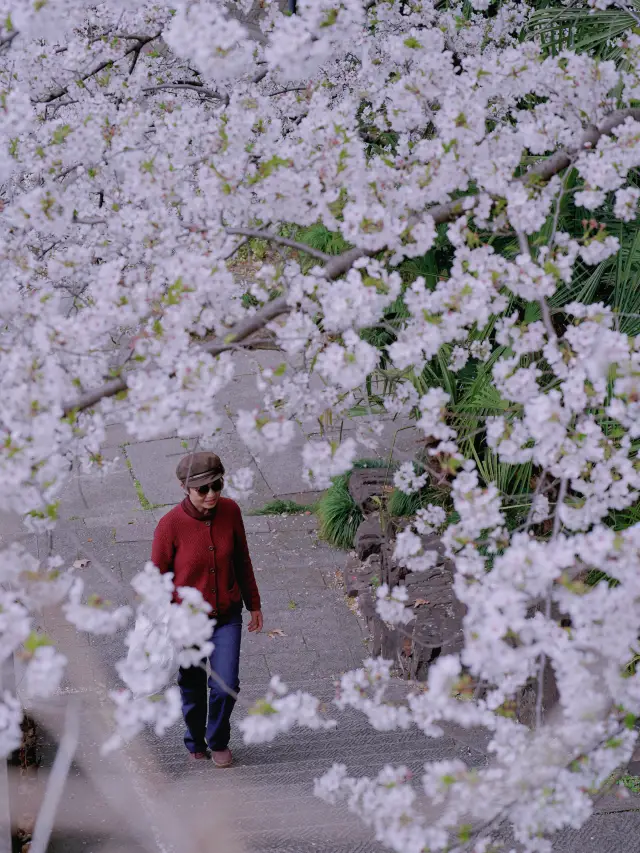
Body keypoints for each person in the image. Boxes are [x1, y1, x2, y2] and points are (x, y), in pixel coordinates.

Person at [151, 451, 263, 767]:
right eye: (203, 489)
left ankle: (217, 740)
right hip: (186, 623)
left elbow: (242, 559)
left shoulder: (231, 512)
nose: (212, 494)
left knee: (226, 684)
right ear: (184, 488)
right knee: (192, 688)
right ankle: (194, 739)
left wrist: (253, 603)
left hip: (227, 616)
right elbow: (155, 579)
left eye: (217, 485)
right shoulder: (169, 525)